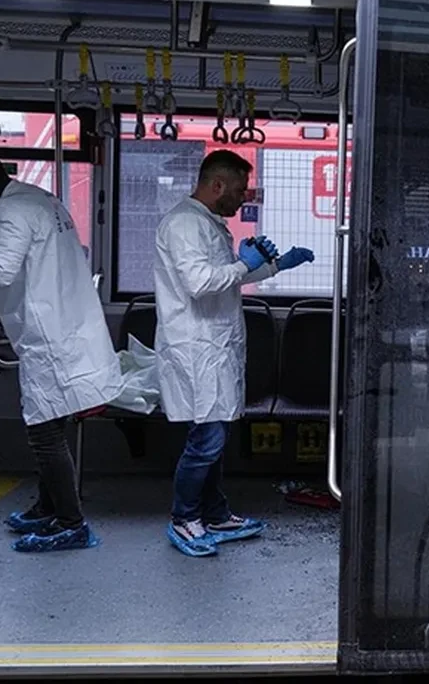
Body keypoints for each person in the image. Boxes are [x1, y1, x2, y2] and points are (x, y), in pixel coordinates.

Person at [0, 149, 123, 553]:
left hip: (51, 340)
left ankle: (72, 523)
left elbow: (1, 271)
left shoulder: (9, 212)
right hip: (68, 327)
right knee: (53, 425)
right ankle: (47, 507)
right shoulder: (42, 201)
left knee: (44, 433)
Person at [154, 150, 314, 557]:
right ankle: (184, 518)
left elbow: (226, 279)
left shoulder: (207, 223)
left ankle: (215, 512)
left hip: (213, 345)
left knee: (214, 435)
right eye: (240, 190)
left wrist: (273, 267)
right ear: (217, 185)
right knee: (205, 440)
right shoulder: (185, 224)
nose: (244, 198)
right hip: (195, 347)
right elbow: (200, 282)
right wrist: (245, 264)